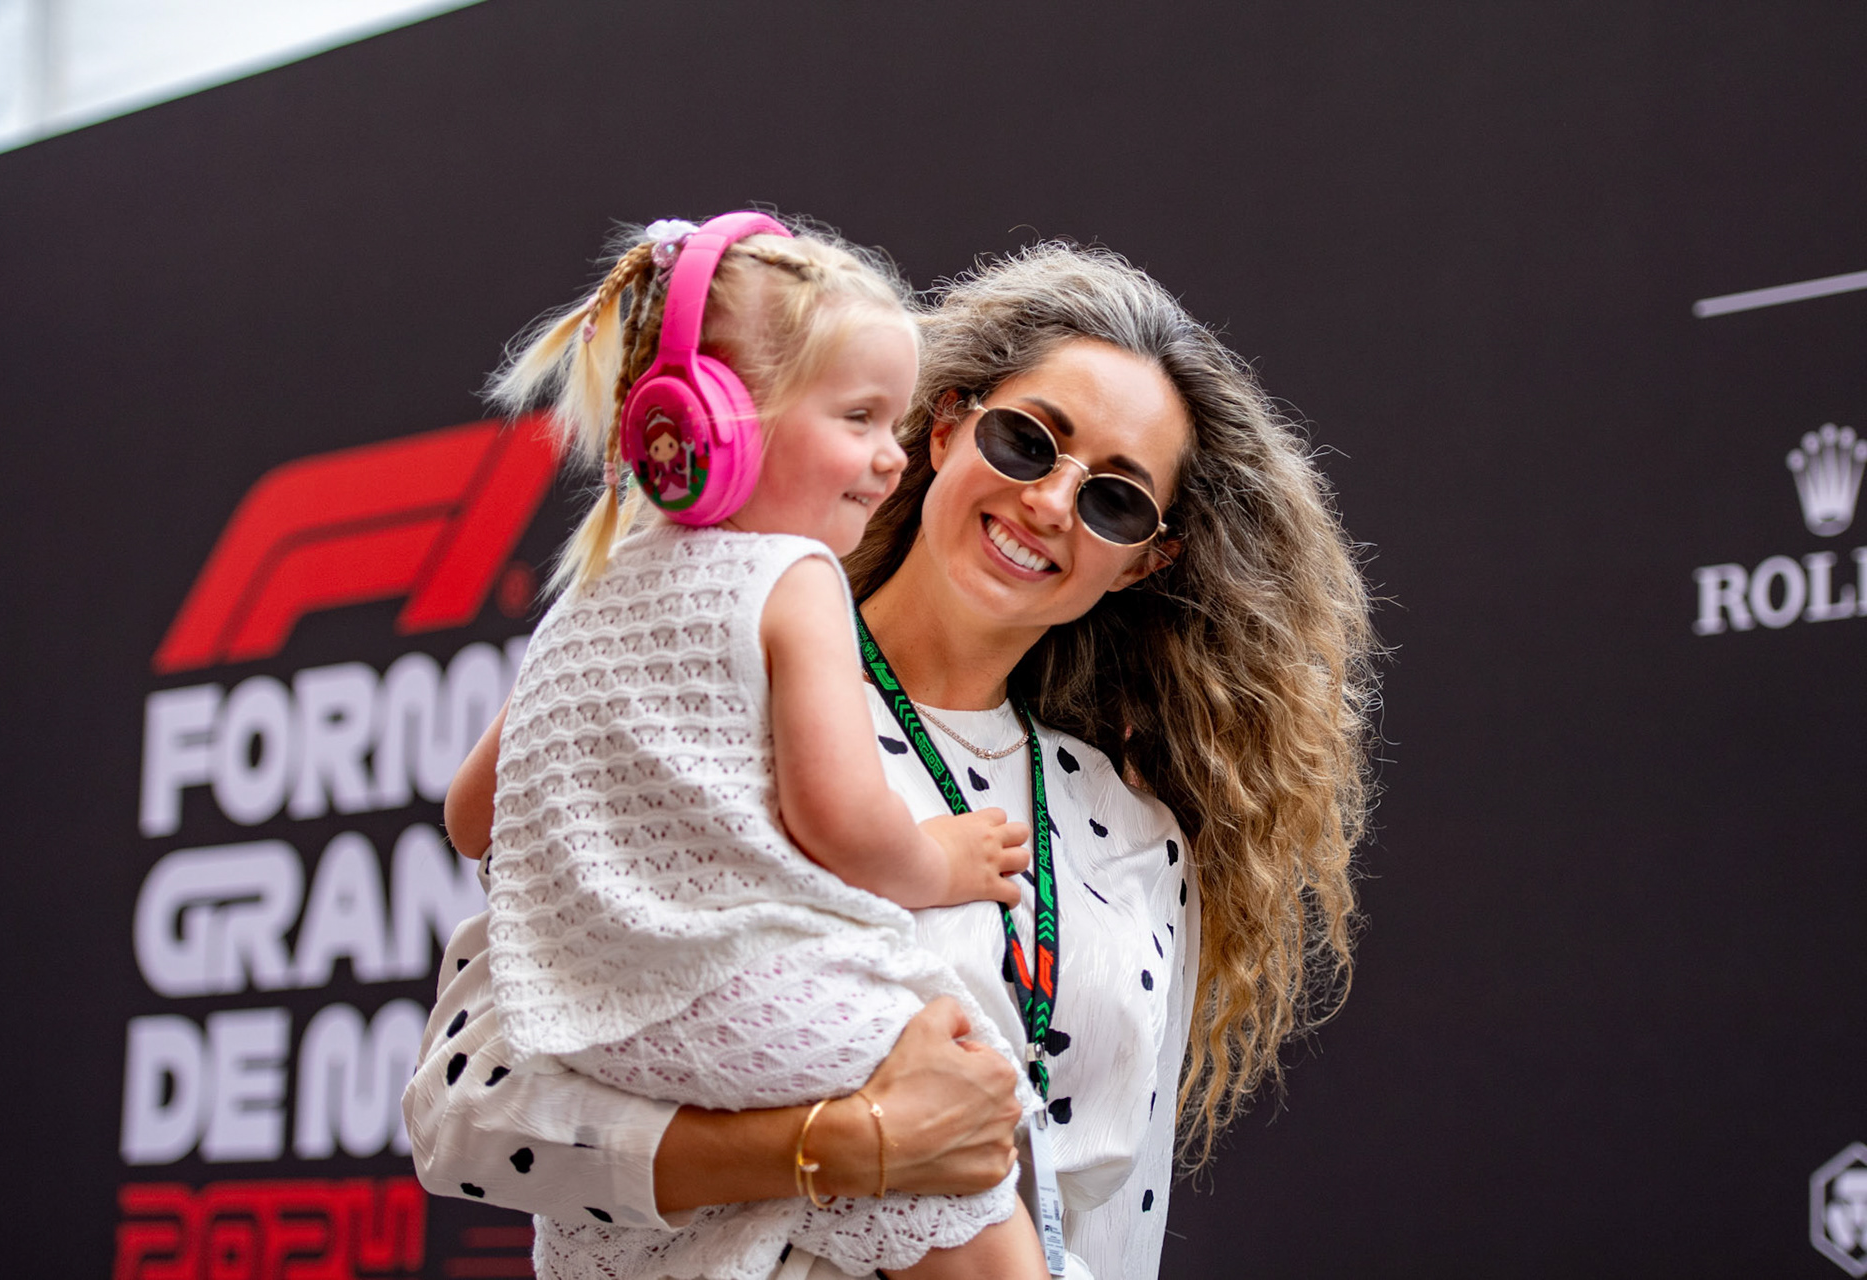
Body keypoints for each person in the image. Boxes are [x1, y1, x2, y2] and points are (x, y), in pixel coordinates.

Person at [406, 238, 1375, 1280]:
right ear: (946, 426)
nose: (1052, 501)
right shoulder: (712, 691)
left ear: (1149, 558)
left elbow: (1116, 1203)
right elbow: (471, 1103)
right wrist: (842, 1146)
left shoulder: (1140, 839)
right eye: (1027, 440)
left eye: (1115, 501)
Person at [421, 212, 1048, 1280]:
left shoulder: (593, 589)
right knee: (973, 1167)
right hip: (748, 998)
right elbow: (840, 820)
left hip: (585, 1024)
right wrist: (942, 857)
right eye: (859, 417)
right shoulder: (793, 578)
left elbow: (474, 815)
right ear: (720, 418)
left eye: (895, 422)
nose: (891, 458)